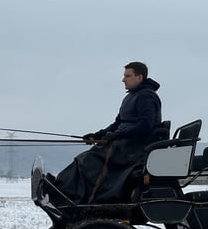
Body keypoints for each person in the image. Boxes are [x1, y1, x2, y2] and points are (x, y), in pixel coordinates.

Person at [39, 61, 167, 206]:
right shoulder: (131, 96)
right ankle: (63, 189)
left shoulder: (146, 96)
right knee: (86, 158)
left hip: (135, 148)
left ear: (139, 77)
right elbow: (117, 124)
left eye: (127, 76)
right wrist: (98, 135)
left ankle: (68, 194)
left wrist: (117, 136)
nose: (123, 79)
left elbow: (146, 125)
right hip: (124, 144)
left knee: (87, 160)